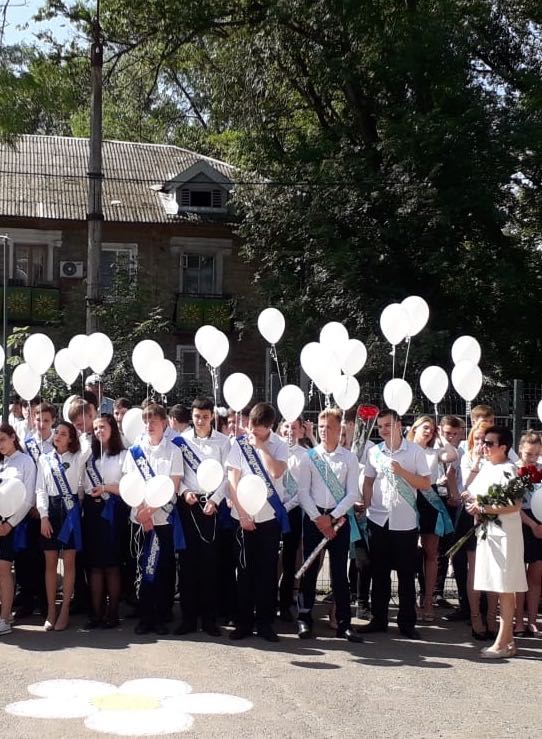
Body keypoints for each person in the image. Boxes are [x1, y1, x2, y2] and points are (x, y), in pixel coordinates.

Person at [360, 409, 431, 639]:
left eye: (388, 425)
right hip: (378, 519)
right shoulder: (374, 452)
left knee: (406, 574)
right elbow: (368, 481)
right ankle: (378, 619)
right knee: (378, 572)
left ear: (399, 425)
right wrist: (366, 504)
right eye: (380, 426)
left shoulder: (415, 451)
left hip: (405, 522)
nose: (383, 430)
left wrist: (401, 472)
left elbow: (425, 483)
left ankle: (407, 622)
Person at [296, 408, 364, 642]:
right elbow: (303, 492)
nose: (324, 431)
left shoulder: (349, 458)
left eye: (330, 427)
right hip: (314, 519)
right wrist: (318, 518)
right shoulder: (309, 457)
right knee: (309, 570)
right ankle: (304, 619)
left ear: (339, 429)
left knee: (339, 574)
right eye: (321, 427)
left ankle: (344, 623)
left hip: (339, 520)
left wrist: (332, 517)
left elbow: (352, 493)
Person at [226, 402, 289, 642]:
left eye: (258, 428)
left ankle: (265, 623)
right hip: (242, 518)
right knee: (244, 571)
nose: (253, 431)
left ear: (269, 426)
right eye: (251, 425)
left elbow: (276, 472)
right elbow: (233, 480)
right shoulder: (239, 444)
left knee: (266, 572)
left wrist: (261, 447)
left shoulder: (279, 445)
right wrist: (242, 514)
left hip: (269, 518)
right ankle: (243, 622)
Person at [464, 426, 527, 658]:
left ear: (503, 447)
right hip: (488, 533)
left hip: (505, 535)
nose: (484, 446)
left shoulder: (510, 470)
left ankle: (503, 642)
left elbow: (515, 505)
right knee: (500, 588)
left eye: (490, 443)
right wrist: (472, 503)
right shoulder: (488, 467)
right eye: (483, 442)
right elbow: (471, 492)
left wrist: (483, 508)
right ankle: (507, 642)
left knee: (505, 588)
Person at [122, 403, 184, 636]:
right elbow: (129, 483)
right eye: (146, 421)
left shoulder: (173, 451)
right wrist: (143, 511)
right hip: (141, 519)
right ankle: (145, 616)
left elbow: (173, 486)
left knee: (162, 569)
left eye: (154, 421)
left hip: (163, 518)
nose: (149, 425)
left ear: (164, 423)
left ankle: (160, 616)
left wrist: (152, 510)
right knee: (143, 567)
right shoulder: (135, 451)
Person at [172, 396, 231, 637]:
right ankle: (188, 619)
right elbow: (177, 473)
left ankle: (209, 620)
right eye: (197, 416)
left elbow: (227, 476)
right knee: (188, 564)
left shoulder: (223, 442)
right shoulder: (181, 441)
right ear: (192, 416)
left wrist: (215, 500)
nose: (200, 421)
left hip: (212, 506)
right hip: (189, 504)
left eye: (205, 417)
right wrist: (184, 491)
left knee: (209, 564)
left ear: (211, 417)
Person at [36, 421, 90, 632]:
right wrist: (43, 516)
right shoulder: (44, 458)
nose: (58, 435)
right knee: (50, 563)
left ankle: (65, 609)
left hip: (70, 512)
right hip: (51, 511)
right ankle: (51, 610)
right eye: (57, 432)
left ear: (71, 438)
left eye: (64, 433)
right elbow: (40, 489)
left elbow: (87, 447)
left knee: (69, 563)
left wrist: (82, 429)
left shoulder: (77, 458)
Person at [407, 416, 456, 622]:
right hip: (409, 498)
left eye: (432, 429)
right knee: (409, 554)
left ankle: (428, 600)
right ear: (415, 428)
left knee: (431, 553)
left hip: (430, 500)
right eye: (425, 427)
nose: (429, 431)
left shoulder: (434, 452)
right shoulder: (406, 450)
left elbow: (452, 455)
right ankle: (409, 601)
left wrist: (441, 437)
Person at [82, 414, 127, 629]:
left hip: (114, 512)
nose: (99, 431)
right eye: (96, 428)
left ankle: (113, 613)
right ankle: (96, 613)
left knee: (112, 566)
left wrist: (106, 488)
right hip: (92, 512)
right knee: (95, 566)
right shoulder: (89, 456)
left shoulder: (123, 455)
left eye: (103, 427)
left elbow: (128, 486)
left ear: (112, 429)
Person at [14, 401, 55, 619]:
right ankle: (27, 600)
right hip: (26, 508)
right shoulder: (25, 443)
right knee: (24, 557)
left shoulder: (56, 443)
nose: (41, 424)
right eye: (38, 419)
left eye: (46, 420)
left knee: (44, 557)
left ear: (53, 421)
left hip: (47, 509)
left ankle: (45, 602)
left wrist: (41, 508)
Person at [459, 420, 498, 640]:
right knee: (475, 569)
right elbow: (466, 486)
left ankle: (491, 616)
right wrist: (478, 461)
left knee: (493, 570)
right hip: (473, 516)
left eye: (487, 440)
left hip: (496, 518)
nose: (483, 443)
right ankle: (475, 617)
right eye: (479, 438)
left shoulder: (500, 460)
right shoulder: (467, 457)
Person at [0, 424, 36, 635]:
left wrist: (9, 524)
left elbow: (28, 498)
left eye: (3, 439)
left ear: (13, 437)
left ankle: (5, 618)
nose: (0, 445)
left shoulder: (25, 461)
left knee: (4, 569)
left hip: (14, 526)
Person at [277, 417, 306, 622]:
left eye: (294, 427)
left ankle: (285, 603)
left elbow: (303, 489)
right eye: (287, 426)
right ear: (280, 428)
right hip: (270, 509)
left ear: (301, 430)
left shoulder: (305, 455)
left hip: (292, 510)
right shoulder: (272, 450)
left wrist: (285, 508)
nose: (290, 430)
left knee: (289, 560)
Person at [514, 430, 542, 637]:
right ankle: (518, 621)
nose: (532, 458)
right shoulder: (513, 470)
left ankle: (532, 621)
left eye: (536, 454)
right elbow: (514, 505)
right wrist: (532, 524)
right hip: (520, 522)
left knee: (536, 576)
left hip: (540, 524)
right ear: (520, 450)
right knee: (518, 577)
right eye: (528, 454)